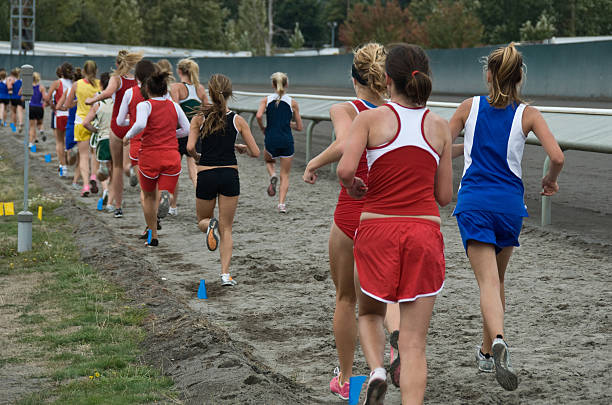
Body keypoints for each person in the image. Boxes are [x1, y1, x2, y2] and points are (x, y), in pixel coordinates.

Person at [337, 43, 453, 405]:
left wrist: (352, 185)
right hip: (423, 232)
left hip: (376, 231)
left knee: (369, 312)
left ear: (387, 81)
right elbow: (445, 195)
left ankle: (375, 371)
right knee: (415, 344)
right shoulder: (440, 126)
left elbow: (344, 169)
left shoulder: (369, 119)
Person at [449, 43, 565, 391]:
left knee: (487, 283)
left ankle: (499, 339)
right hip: (510, 207)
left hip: (474, 202)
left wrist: (458, 150)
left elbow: (438, 142)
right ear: (518, 78)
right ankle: (487, 352)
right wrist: (550, 180)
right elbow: (557, 156)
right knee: (496, 282)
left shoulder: (469, 107)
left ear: (489, 74)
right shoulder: (529, 113)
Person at [303, 43, 401, 398]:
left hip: (351, 210)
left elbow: (346, 143)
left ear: (354, 77)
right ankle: (397, 344)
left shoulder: (346, 108)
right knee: (386, 293)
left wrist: (314, 162)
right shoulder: (398, 111)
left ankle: (345, 380)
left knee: (346, 298)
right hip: (388, 211)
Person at [187, 73, 260, 286]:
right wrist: (238, 147)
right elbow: (256, 152)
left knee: (203, 219)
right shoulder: (238, 120)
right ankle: (226, 275)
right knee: (227, 228)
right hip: (229, 174)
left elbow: (190, 147)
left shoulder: (199, 118)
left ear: (209, 92)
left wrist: (197, 157)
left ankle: (210, 225)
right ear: (229, 94)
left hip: (206, 173)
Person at [123, 69, 190, 247]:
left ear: (148, 89)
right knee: (162, 190)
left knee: (148, 197)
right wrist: (169, 134)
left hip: (150, 156)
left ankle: (153, 236)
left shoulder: (145, 105)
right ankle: (166, 196)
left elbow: (141, 124)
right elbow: (187, 129)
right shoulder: (174, 106)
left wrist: (128, 136)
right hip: (171, 155)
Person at [86, 50, 142, 217]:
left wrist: (92, 100)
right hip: (132, 124)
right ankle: (132, 170)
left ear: (117, 64)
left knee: (116, 168)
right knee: (128, 164)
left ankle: (117, 205)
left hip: (117, 126)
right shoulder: (138, 81)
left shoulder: (116, 79)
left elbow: (108, 93)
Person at [116, 59, 160, 231]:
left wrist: (132, 120)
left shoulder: (130, 93)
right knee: (155, 187)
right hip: (157, 142)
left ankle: (150, 226)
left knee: (145, 191)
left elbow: (120, 121)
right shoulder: (160, 93)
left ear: (137, 75)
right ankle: (155, 215)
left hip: (138, 144)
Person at [256, 72, 303, 213]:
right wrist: (290, 124)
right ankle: (281, 204)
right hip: (287, 140)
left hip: (271, 138)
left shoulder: (266, 100)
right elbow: (300, 127)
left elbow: (258, 115)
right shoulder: (293, 103)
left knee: (269, 161)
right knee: (286, 175)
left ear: (272, 85)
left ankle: (272, 175)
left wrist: (263, 127)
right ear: (287, 84)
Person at [169, 58, 209, 216]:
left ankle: (173, 207)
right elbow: (207, 110)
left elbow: (174, 110)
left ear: (179, 71)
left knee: (174, 171)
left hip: (178, 133)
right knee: (195, 173)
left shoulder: (176, 87)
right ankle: (204, 202)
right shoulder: (200, 89)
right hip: (196, 134)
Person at [61, 60, 101, 197]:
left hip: (80, 122)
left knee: (83, 156)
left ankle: (85, 186)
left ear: (83, 71)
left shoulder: (76, 85)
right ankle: (94, 177)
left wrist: (78, 101)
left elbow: (67, 105)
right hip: (96, 122)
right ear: (96, 71)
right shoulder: (100, 84)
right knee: (95, 154)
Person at [82, 72, 114, 207]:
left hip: (102, 138)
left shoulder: (97, 102)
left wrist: (95, 130)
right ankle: (113, 199)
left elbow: (85, 123)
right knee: (115, 169)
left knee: (103, 167)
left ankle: (106, 189)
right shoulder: (117, 100)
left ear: (101, 84)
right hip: (116, 138)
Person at [47, 63, 74, 176]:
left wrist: (53, 107)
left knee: (59, 141)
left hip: (60, 114)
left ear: (61, 72)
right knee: (68, 141)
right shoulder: (75, 83)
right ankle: (68, 156)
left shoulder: (57, 83)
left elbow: (48, 97)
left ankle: (63, 167)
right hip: (72, 114)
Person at [25, 72, 47, 148]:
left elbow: (19, 93)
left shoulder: (28, 87)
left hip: (31, 107)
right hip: (39, 107)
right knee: (40, 123)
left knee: (31, 126)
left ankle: (31, 143)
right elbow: (45, 98)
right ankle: (41, 130)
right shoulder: (41, 87)